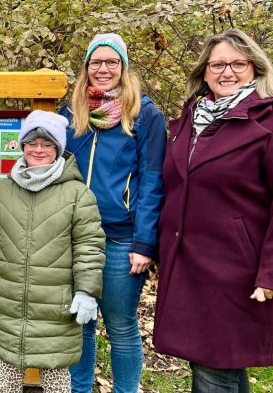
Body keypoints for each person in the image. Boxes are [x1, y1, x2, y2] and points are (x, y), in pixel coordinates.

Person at [153, 29, 273, 392]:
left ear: (255, 68)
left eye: (238, 64)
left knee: (215, 367)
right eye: (218, 65)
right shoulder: (190, 120)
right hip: (187, 265)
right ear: (204, 71)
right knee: (216, 365)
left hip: (237, 271)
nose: (227, 72)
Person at [0, 110, 106, 393]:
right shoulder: (0, 192)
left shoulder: (78, 195)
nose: (38, 149)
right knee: (6, 373)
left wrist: (86, 291)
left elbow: (89, 247)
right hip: (9, 302)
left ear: (58, 148)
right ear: (22, 146)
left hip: (56, 306)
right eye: (32, 142)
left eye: (46, 144)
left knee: (56, 375)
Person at [59, 33, 166, 393]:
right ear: (86, 67)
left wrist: (145, 243)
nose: (103, 69)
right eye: (96, 62)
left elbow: (152, 180)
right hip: (75, 237)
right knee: (80, 323)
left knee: (120, 326)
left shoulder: (144, 114)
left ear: (123, 67)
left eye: (111, 62)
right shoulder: (71, 112)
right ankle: (79, 389)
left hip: (121, 238)